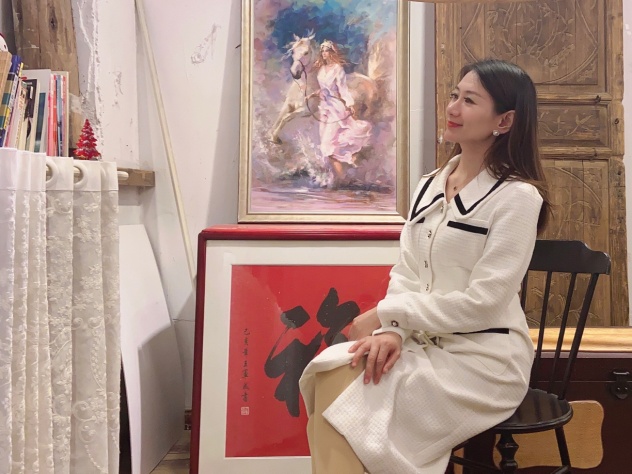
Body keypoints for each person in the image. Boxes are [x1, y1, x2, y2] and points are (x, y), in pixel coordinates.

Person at [299, 58, 551, 473]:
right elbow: (407, 272)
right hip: (423, 344)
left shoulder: (517, 198)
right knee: (333, 369)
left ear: (504, 121)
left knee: (351, 401)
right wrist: (392, 332)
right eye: (454, 95)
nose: (452, 108)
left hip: (484, 360)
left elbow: (484, 304)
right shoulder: (429, 185)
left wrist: (388, 314)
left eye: (469, 101)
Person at [310, 40, 372, 186]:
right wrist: (314, 94)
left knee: (327, 146)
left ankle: (342, 179)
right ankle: (337, 179)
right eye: (322, 51)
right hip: (324, 109)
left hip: (335, 109)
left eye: (327, 50)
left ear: (332, 52)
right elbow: (324, 89)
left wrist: (350, 104)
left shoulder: (337, 69)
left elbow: (342, 90)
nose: (324, 53)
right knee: (327, 146)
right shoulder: (322, 70)